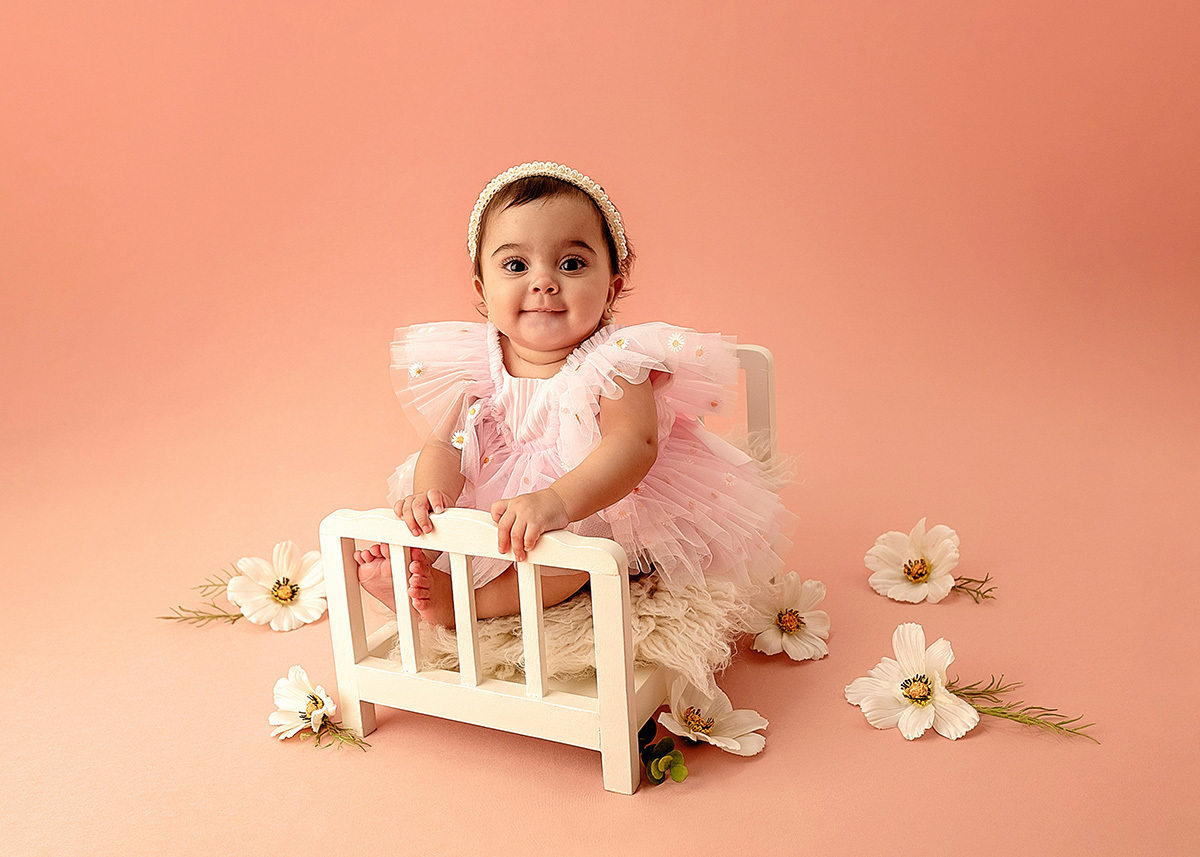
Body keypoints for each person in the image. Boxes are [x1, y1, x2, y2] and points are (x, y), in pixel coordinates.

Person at [356, 161, 790, 628]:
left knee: (570, 553)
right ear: (483, 288)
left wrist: (558, 502)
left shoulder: (614, 362)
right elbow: (447, 444)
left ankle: (465, 605)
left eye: (572, 263)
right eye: (516, 265)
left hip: (595, 496)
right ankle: (423, 571)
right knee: (455, 524)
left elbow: (632, 446)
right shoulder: (475, 364)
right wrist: (430, 494)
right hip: (502, 493)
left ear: (611, 289)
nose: (543, 282)